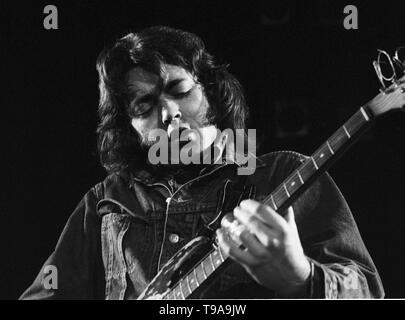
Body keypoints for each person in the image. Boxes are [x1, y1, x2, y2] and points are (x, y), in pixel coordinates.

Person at [20, 26, 384, 299]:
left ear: (211, 91)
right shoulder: (107, 202)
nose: (169, 113)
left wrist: (301, 277)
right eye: (143, 106)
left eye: (180, 91)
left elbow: (368, 290)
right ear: (130, 129)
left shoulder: (282, 173)